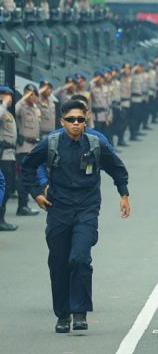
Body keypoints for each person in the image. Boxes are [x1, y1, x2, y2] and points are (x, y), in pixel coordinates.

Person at [21, 99, 130, 334]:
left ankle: (79, 311)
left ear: (86, 119)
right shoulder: (50, 143)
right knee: (58, 263)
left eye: (80, 119)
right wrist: (37, 193)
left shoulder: (96, 142)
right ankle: (63, 315)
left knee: (80, 257)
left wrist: (124, 193)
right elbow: (28, 166)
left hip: (87, 208)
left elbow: (117, 167)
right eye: (71, 120)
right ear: (62, 121)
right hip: (58, 208)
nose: (76, 124)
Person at [15, 84, 42, 216]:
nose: (32, 97)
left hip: (34, 147)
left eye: (33, 94)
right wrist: (23, 98)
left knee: (31, 175)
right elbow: (14, 110)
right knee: (23, 177)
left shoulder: (36, 108)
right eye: (29, 94)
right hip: (24, 146)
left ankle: (26, 204)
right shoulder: (21, 107)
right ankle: (22, 206)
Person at [0, 86, 18, 231]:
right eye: (6, 95)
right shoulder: (2, 109)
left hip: (10, 154)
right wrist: (3, 103)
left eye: (9, 96)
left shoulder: (7, 113)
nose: (9, 98)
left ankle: (2, 218)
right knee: (3, 187)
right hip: (3, 155)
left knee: (8, 187)